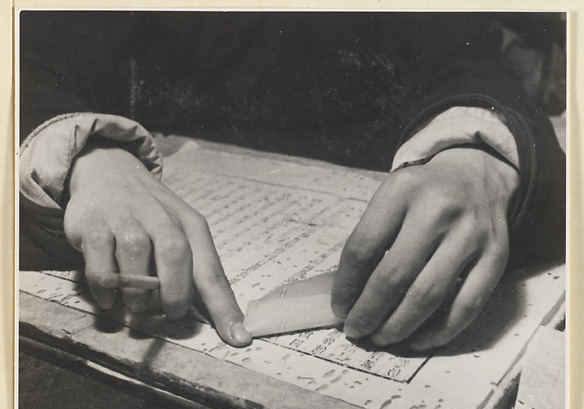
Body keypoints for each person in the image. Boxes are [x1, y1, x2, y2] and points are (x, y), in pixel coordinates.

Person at [19, 11, 565, 350]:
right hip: (146, 171)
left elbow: (461, 60)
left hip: (351, 177)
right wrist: (91, 153)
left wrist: (475, 161)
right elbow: (28, 51)